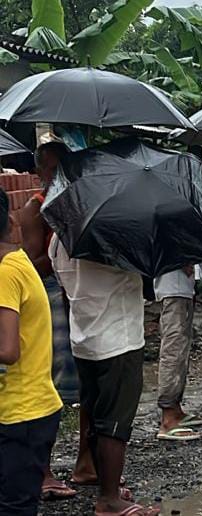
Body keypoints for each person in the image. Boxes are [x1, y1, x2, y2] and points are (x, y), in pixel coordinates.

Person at [50, 234, 154, 514]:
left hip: (84, 339)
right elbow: (148, 283)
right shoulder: (116, 236)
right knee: (115, 423)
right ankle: (108, 499)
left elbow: (65, 290)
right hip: (118, 340)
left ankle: (105, 486)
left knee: (96, 416)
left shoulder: (58, 241)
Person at [17, 142, 83, 499]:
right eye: (53, 170)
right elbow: (34, 264)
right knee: (53, 385)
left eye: (63, 169)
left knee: (80, 384)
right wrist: (65, 242)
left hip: (76, 292)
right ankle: (42, 472)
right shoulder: (36, 209)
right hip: (50, 294)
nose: (58, 176)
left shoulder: (73, 201)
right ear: (39, 172)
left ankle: (83, 465)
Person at [0, 187, 64, 515]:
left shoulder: (5, 274)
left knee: (14, 507)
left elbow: (8, 350)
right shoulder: (20, 262)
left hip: (20, 413)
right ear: (11, 223)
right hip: (33, 408)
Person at [153, 267, 202, 442]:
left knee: (181, 351)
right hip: (173, 289)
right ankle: (168, 418)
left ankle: (175, 409)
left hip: (181, 289)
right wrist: (186, 262)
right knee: (173, 351)